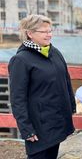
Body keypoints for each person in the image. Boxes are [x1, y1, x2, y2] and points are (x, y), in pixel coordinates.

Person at [8, 14, 76, 159]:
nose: (49, 35)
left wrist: (71, 106)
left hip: (56, 120)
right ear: (30, 33)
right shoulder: (20, 60)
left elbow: (66, 80)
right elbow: (17, 99)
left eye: (50, 31)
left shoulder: (54, 52)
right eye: (44, 32)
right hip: (38, 126)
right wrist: (26, 129)